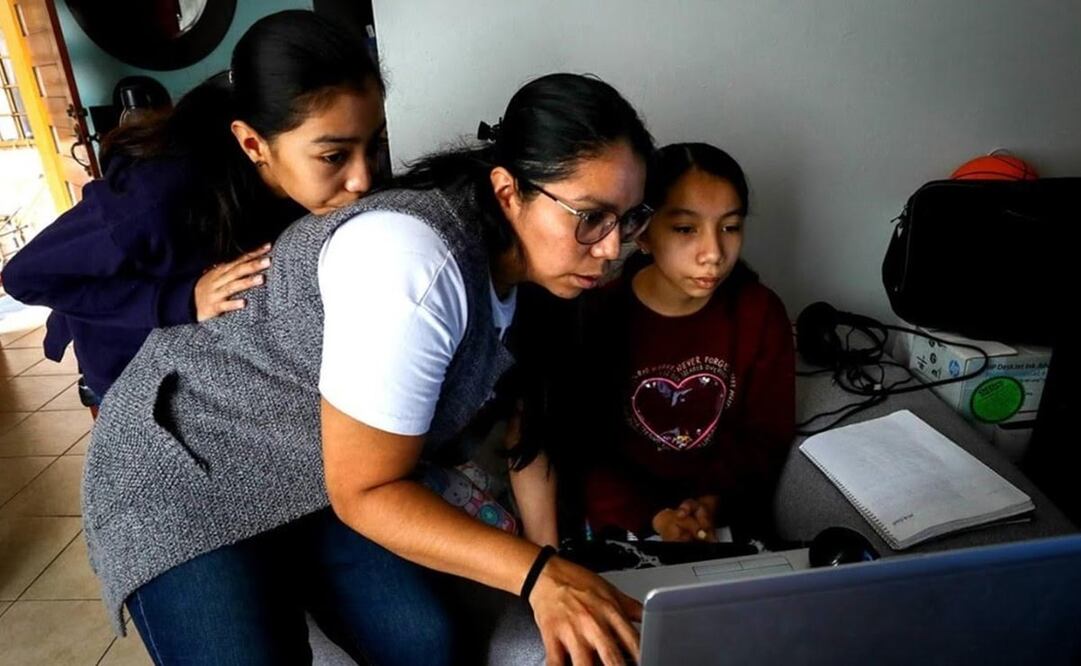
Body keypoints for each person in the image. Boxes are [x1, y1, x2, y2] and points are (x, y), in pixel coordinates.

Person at [83, 72, 655, 665]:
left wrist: (551, 571)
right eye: (590, 216)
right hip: (187, 466)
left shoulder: (544, 278)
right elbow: (366, 490)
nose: (612, 248)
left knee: (423, 640)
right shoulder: (413, 265)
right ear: (509, 191)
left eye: (630, 218)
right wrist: (540, 577)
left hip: (310, 473)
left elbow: (525, 428)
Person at [0, 10, 386, 412]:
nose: (362, 179)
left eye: (373, 145)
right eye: (334, 155)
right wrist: (181, 298)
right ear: (253, 145)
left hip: (203, 359)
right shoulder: (155, 199)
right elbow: (25, 276)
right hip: (126, 374)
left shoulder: (305, 183)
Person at [565, 143, 795, 543]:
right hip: (625, 525)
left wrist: (709, 502)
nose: (713, 254)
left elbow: (765, 435)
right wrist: (656, 519)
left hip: (722, 516)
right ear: (644, 234)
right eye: (686, 229)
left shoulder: (759, 314)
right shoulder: (598, 317)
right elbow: (586, 448)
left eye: (730, 227)